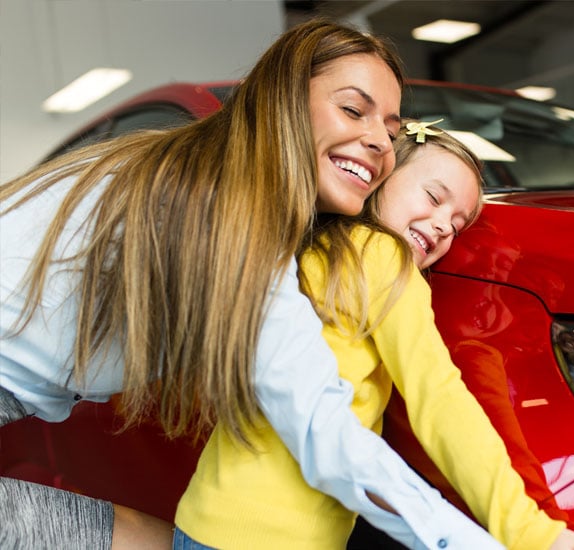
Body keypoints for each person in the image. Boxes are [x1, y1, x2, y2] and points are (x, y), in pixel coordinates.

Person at [0, 19, 503, 550]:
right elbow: (322, 432)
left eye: (392, 129)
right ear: (282, 101)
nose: (380, 139)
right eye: (354, 110)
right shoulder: (212, 210)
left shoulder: (198, 184)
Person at [174, 121, 574, 550]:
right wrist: (530, 532)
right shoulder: (385, 258)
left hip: (207, 518)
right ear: (380, 178)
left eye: (457, 224)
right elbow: (439, 400)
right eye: (433, 197)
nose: (443, 225)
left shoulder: (318, 249)